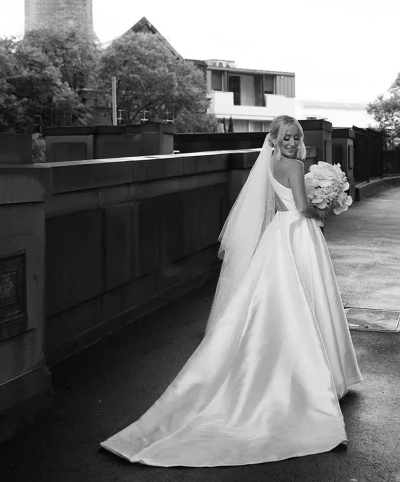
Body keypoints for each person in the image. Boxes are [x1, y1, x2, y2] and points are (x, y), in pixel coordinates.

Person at [100, 115, 362, 467]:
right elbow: (301, 207)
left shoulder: (270, 163)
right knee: (303, 299)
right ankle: (310, 375)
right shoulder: (296, 165)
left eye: (295, 136)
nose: (291, 140)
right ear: (275, 137)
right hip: (297, 234)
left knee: (279, 302)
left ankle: (294, 369)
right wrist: (324, 208)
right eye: (286, 136)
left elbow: (282, 204)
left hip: (278, 234)